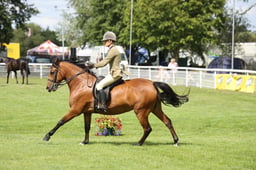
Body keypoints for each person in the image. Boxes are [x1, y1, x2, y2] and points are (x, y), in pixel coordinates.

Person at [86, 31, 124, 112]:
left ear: (110, 41)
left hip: (115, 74)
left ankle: (103, 105)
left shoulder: (113, 50)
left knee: (99, 86)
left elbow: (105, 62)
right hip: (112, 73)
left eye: (105, 41)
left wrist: (93, 65)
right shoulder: (112, 49)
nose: (104, 42)